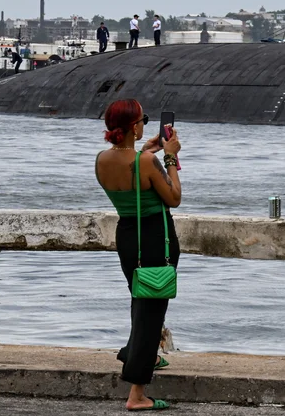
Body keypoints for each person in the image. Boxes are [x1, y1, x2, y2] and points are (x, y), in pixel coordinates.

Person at [95, 99, 182, 411]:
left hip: (128, 237)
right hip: (155, 238)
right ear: (134, 126)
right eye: (143, 118)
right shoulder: (145, 162)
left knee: (141, 298)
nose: (145, 121)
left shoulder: (102, 159)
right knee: (151, 312)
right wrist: (169, 158)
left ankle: (134, 351)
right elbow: (174, 197)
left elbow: (131, 177)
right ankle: (137, 394)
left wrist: (147, 151)